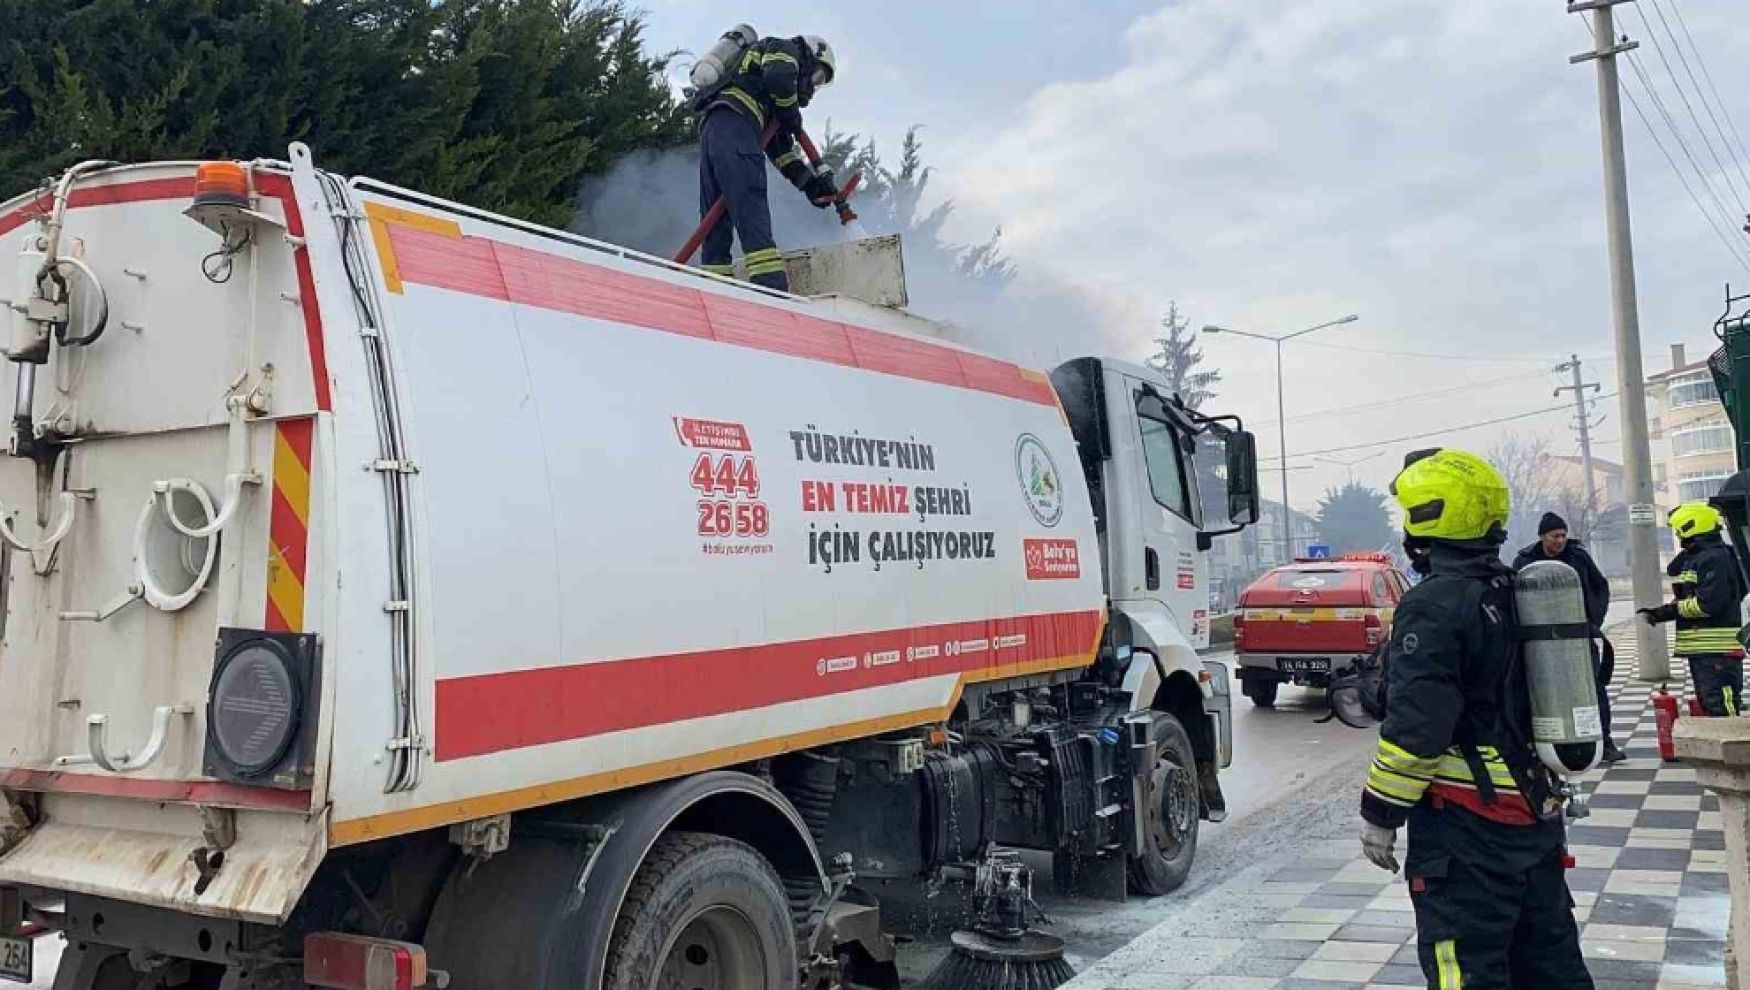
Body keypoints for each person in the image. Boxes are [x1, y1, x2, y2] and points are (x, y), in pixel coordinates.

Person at [1362, 448, 1593, 989]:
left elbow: (1417, 733)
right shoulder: (1517, 589)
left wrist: (1380, 812)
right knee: (1550, 964)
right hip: (1534, 816)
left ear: (1428, 520)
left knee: (1467, 971)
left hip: (1467, 832)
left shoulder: (1434, 604)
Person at [697, 34, 839, 291]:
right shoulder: (784, 48)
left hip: (716, 128)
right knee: (751, 205)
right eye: (817, 76)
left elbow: (781, 152)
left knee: (716, 218)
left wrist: (810, 185)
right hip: (736, 126)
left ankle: (713, 287)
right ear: (809, 55)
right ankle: (771, 288)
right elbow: (780, 77)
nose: (813, 87)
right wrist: (791, 114)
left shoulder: (767, 99)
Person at [1511, 512, 1626, 763]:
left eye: (1563, 535)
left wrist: (1594, 619)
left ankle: (1603, 741)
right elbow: (1515, 594)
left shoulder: (1579, 557)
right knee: (1543, 689)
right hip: (1540, 641)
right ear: (1542, 537)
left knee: (1592, 688)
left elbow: (1600, 586)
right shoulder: (1526, 560)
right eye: (1555, 536)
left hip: (1579, 637)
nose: (1560, 541)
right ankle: (1545, 741)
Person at [1638, 502, 1745, 716]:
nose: (1678, 537)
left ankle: (1735, 749)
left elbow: (1708, 604)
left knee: (1721, 708)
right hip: (1706, 650)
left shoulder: (1714, 558)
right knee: (1711, 704)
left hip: (1716, 650)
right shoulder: (1702, 557)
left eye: (1679, 532)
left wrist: (1669, 612)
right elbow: (1675, 572)